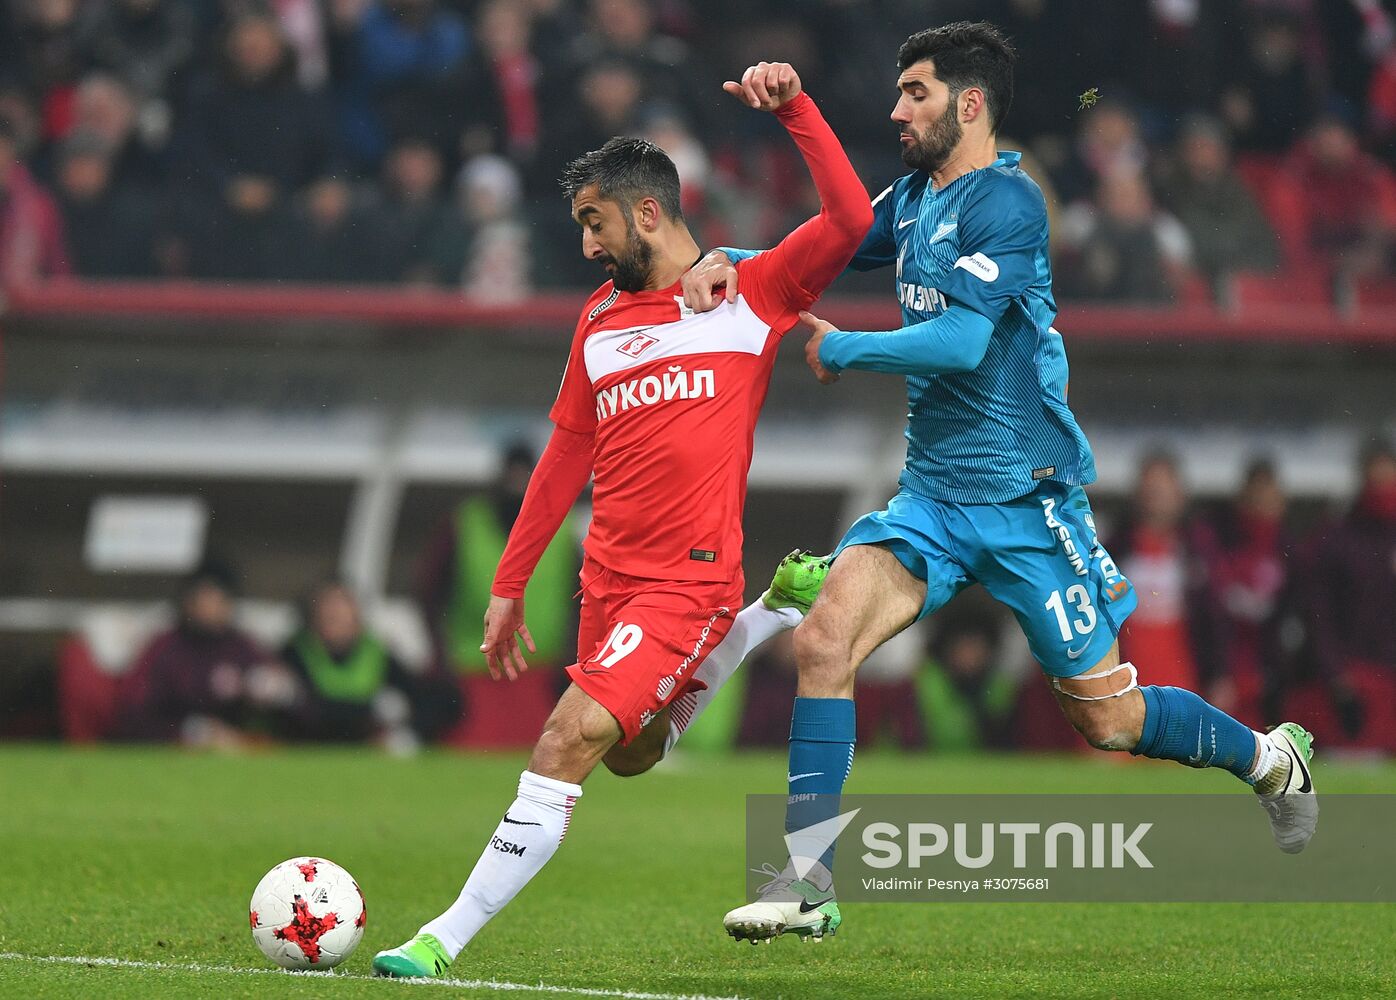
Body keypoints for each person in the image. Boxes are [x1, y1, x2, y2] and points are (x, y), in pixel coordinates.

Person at [681, 22, 1318, 945]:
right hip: (932, 500)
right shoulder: (908, 202)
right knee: (824, 642)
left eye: (916, 93)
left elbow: (965, 343)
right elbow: (821, 245)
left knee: (1111, 720)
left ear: (968, 104)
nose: (898, 110)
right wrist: (727, 262)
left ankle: (1270, 759)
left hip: (1029, 498)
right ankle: (807, 886)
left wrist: (846, 346)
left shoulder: (1010, 205)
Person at [371, 59, 873, 979]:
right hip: (605, 579)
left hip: (685, 581)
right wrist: (509, 585)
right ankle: (766, 616)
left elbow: (851, 220)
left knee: (566, 740)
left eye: (595, 223)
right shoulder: (597, 322)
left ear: (648, 212)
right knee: (633, 754)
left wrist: (796, 107)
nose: (589, 245)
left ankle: (438, 937)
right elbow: (564, 458)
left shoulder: (751, 291)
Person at [415, 442, 578, 748]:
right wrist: (441, 662)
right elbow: (429, 594)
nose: (517, 486)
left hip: (540, 676)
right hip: (473, 675)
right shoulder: (464, 524)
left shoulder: (561, 526)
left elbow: (582, 600)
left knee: (541, 759)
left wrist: (571, 661)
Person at [116, 562, 296, 747]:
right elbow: (132, 716)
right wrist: (188, 730)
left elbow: (301, 717)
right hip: (176, 756)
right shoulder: (164, 649)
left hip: (238, 758)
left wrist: (285, 694)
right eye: (202, 598)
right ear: (187, 602)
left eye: (218, 599)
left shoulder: (244, 648)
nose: (209, 608)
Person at [277, 580, 460, 746]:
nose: (335, 614)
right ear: (313, 616)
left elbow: (434, 699)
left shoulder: (375, 653)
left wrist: (406, 732)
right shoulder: (295, 653)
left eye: (341, 609)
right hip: (310, 746)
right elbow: (299, 712)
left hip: (366, 750)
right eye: (329, 610)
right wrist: (369, 714)